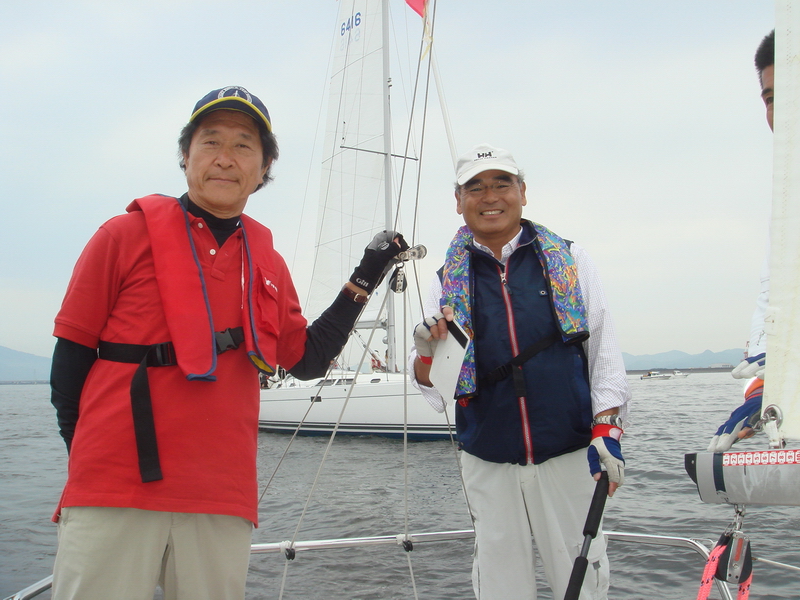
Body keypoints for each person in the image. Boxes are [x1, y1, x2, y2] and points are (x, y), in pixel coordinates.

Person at [48, 85, 407, 600]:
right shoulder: (121, 236)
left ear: (264, 168)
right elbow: (70, 359)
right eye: (210, 141)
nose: (225, 158)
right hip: (112, 487)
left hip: (221, 496)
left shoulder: (269, 263)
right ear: (185, 156)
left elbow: (306, 359)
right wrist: (84, 459)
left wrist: (368, 272)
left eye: (243, 146)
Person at [409, 144, 630, 600]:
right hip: (487, 457)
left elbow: (604, 351)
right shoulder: (444, 279)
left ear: (523, 192)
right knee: (499, 584)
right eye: (475, 187)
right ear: (458, 201)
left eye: (501, 183)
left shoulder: (570, 259)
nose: (490, 196)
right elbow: (435, 386)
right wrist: (425, 355)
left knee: (583, 580)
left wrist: (607, 427)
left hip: (569, 451)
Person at [707, 30, 774, 452]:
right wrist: (764, 387)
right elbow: (774, 299)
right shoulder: (786, 200)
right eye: (771, 98)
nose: (780, 111)